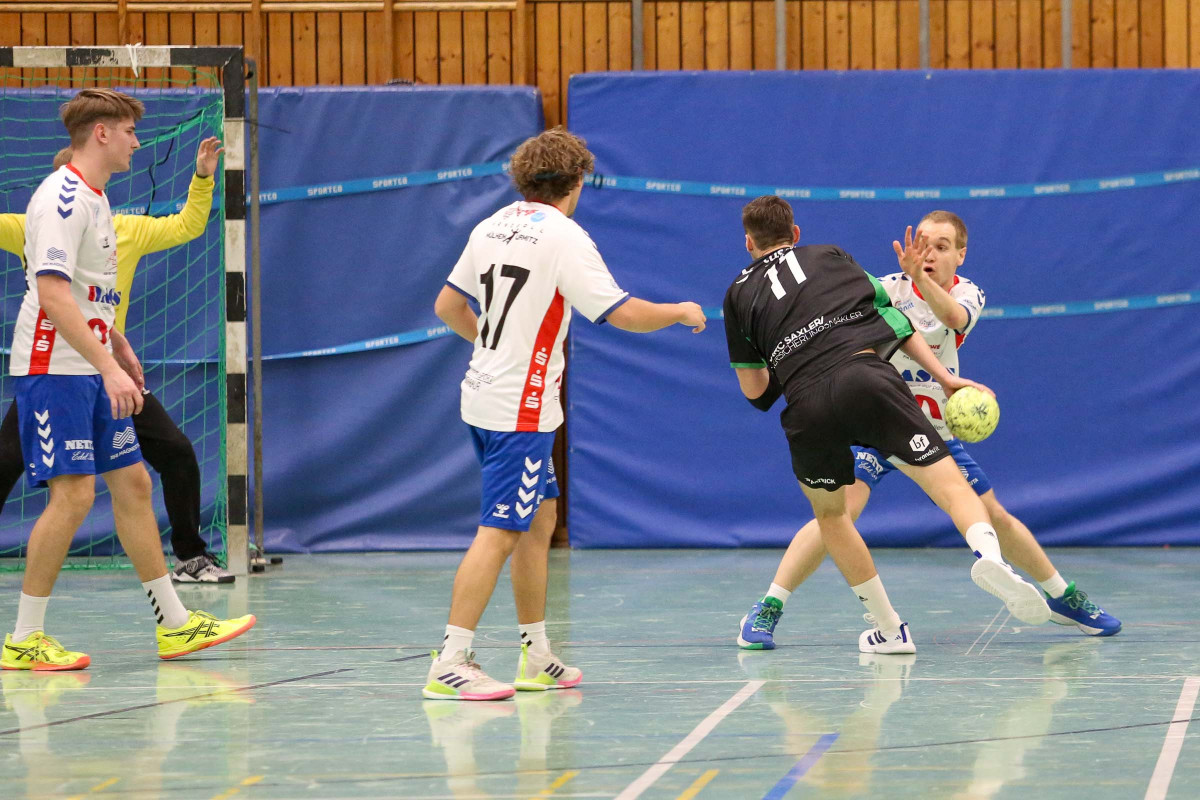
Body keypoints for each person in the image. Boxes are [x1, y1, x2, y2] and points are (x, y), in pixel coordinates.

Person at [736, 210, 1120, 650]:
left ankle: (1061, 596)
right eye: (922, 244)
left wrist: (922, 279)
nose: (929, 253)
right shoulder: (883, 287)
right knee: (836, 515)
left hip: (931, 428)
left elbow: (953, 318)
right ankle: (771, 605)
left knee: (992, 514)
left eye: (941, 246)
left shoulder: (968, 292)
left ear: (961, 254)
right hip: (875, 420)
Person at [426, 127, 706, 700]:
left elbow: (448, 305)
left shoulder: (491, 225)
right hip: (520, 409)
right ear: (575, 183)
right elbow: (622, 314)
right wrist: (679, 311)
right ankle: (450, 661)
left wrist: (491, 346)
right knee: (501, 530)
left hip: (481, 393)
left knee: (541, 518)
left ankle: (536, 654)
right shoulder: (565, 237)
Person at [1, 89, 254, 671]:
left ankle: (175, 625)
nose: (138, 143)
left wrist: (116, 343)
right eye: (131, 132)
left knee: (134, 483)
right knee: (73, 495)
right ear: (102, 134)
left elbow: (87, 294)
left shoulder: (98, 199)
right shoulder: (61, 199)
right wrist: (108, 366)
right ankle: (24, 639)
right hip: (54, 369)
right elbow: (52, 295)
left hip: (89, 365)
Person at [0, 139, 233, 584]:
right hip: (58, 370)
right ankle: (31, 620)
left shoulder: (120, 227)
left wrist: (203, 176)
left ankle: (190, 560)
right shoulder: (43, 219)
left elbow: (187, 225)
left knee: (167, 458)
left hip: (107, 374)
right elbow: (57, 294)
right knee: (19, 466)